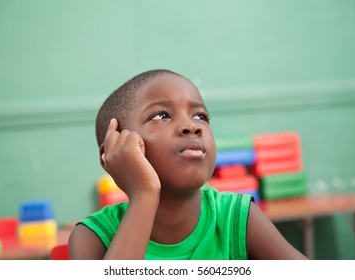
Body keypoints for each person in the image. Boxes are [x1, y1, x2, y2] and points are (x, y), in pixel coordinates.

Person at [68, 69, 308, 260]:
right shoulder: (93, 236)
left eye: (200, 116)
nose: (193, 126)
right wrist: (144, 194)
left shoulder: (237, 218)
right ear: (113, 151)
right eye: (161, 115)